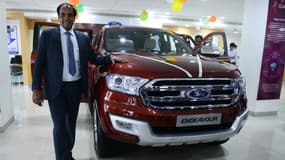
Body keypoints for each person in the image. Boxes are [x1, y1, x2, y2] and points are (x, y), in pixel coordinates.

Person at [31, 3, 126, 160]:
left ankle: (67, 153)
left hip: (75, 87)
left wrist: (109, 58)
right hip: (56, 88)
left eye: (69, 15)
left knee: (70, 125)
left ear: (74, 17)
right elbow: (40, 63)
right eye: (63, 15)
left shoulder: (82, 38)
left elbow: (94, 58)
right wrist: (36, 89)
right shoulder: (48, 36)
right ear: (59, 17)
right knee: (60, 126)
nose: (66, 18)